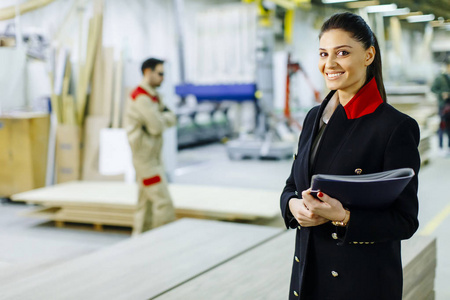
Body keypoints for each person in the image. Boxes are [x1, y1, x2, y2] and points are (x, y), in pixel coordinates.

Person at [280, 12, 420, 300]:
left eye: (342, 53)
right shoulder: (313, 117)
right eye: (323, 53)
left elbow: (405, 221)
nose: (329, 64)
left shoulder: (394, 127)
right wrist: (293, 207)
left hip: (360, 283)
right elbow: (291, 186)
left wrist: (343, 217)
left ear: (369, 55)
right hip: (307, 276)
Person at [125, 58, 177, 235]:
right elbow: (157, 127)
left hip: (152, 157)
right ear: (148, 72)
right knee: (164, 203)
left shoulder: (154, 96)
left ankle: (140, 241)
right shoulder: (141, 97)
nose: (163, 78)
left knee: (145, 204)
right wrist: (164, 119)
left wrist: (164, 118)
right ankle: (162, 241)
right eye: (160, 73)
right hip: (146, 161)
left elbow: (171, 116)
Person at [431, 60, 450, 153]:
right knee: (442, 126)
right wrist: (442, 94)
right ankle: (440, 147)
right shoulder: (440, 78)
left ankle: (449, 147)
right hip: (443, 106)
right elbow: (433, 89)